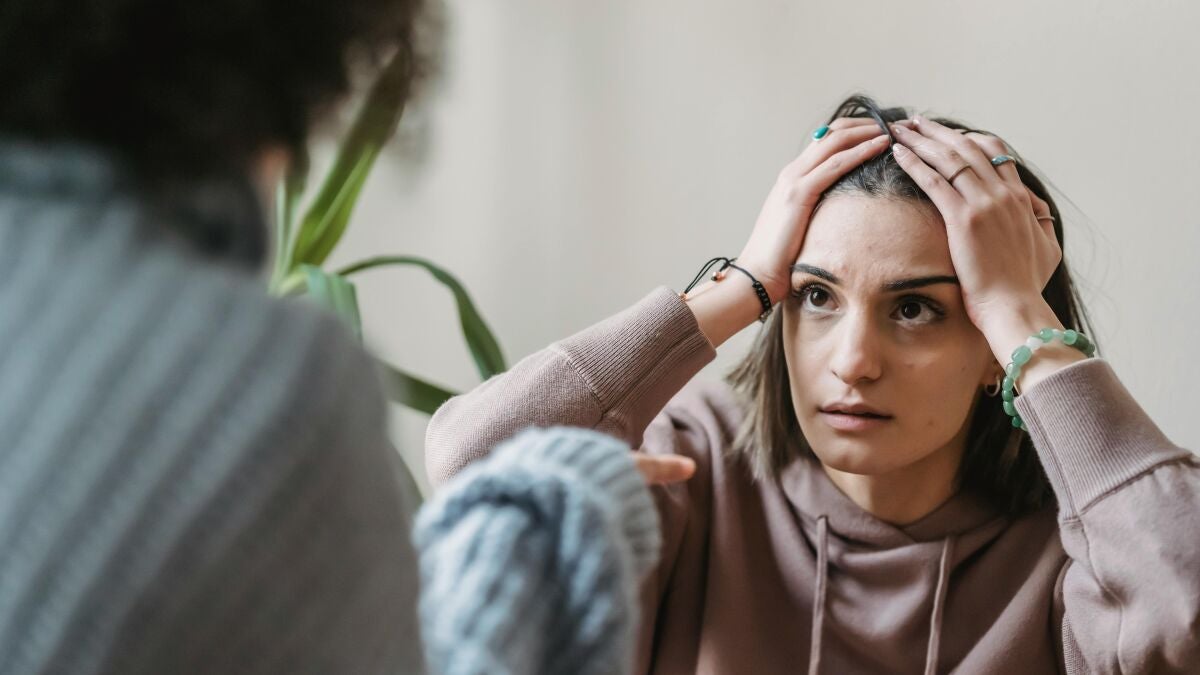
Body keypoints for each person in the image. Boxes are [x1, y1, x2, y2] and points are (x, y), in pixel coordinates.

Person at [426, 95, 1200, 674]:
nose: (853, 361)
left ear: (996, 349)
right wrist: (742, 283)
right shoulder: (690, 467)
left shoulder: (1089, 544)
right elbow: (470, 474)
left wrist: (1018, 313)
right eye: (817, 295)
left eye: (914, 308)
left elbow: (1186, 621)